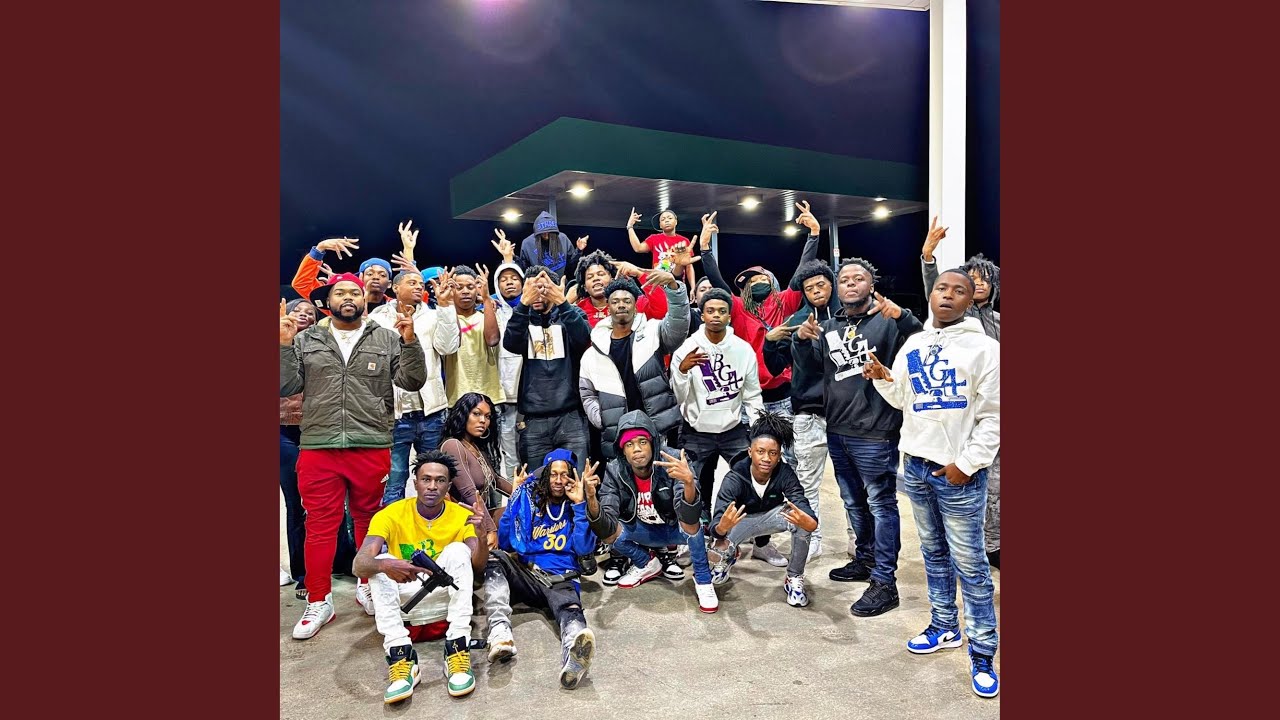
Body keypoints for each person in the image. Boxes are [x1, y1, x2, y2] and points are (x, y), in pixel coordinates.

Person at [864, 268, 1001, 698]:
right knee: (933, 554)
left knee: (971, 564)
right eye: (942, 287)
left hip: (958, 472)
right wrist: (882, 377)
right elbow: (904, 399)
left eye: (959, 291)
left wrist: (968, 463)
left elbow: (995, 417)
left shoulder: (986, 349)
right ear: (932, 294)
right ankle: (944, 626)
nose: (947, 295)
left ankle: (983, 651)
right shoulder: (915, 344)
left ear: (970, 301)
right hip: (917, 467)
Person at [280, 273, 427, 639]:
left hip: (371, 442)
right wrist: (282, 345)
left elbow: (412, 382)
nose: (348, 297)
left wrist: (410, 342)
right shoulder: (307, 340)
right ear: (327, 302)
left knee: (368, 519)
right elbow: (285, 385)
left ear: (364, 299)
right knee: (320, 525)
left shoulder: (387, 337)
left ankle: (367, 585)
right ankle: (319, 600)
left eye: (354, 292)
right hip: (319, 444)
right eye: (339, 292)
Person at [792, 257, 923, 618]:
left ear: (871, 285)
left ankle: (885, 582)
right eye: (845, 279)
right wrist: (801, 342)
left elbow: (922, 341)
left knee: (881, 505)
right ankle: (865, 560)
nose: (850, 283)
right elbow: (814, 370)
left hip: (877, 431)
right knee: (853, 503)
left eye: (858, 278)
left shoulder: (888, 320)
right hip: (838, 429)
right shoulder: (829, 326)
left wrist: (903, 317)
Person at [352, 451, 489, 702]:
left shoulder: (462, 515)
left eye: (440, 480)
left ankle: (457, 648)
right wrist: (386, 565)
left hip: (447, 603)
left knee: (458, 550)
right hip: (405, 606)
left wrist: (481, 536)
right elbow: (359, 565)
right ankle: (401, 657)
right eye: (426, 479)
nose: (432, 486)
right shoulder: (390, 514)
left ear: (449, 486)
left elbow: (477, 567)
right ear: (415, 483)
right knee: (379, 563)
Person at [921, 217, 1002, 569]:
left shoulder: (999, 322)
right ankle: (962, 549)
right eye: (973, 278)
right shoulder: (953, 319)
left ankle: (992, 544)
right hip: (958, 413)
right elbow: (933, 286)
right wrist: (928, 257)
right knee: (960, 484)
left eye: (985, 278)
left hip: (992, 412)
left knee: (996, 484)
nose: (979, 282)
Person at [481, 449, 599, 689]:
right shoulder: (530, 502)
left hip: (561, 579)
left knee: (571, 612)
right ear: (545, 475)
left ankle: (574, 656)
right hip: (528, 575)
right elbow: (506, 543)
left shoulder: (576, 505)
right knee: (495, 558)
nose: (558, 480)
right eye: (553, 474)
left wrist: (580, 505)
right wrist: (513, 499)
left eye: (564, 475)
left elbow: (584, 548)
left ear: (571, 477)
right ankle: (500, 631)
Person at [583, 411, 719, 612]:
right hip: (643, 531)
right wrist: (591, 498)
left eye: (642, 442)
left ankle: (703, 579)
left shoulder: (673, 459)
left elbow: (689, 514)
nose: (637, 449)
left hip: (675, 529)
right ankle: (646, 562)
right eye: (629, 444)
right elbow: (606, 525)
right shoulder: (614, 470)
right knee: (609, 530)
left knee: (692, 522)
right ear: (622, 450)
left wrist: (689, 483)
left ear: (653, 443)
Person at [280, 299, 358, 598]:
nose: (304, 315)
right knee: (297, 503)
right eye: (297, 311)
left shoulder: (322, 345)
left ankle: (342, 560)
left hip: (321, 428)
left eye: (310, 313)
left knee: (334, 499)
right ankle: (303, 573)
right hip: (284, 431)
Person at [762, 258, 836, 561]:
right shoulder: (796, 320)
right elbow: (775, 365)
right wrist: (769, 342)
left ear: (831, 284)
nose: (816, 291)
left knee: (854, 486)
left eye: (821, 284)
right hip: (808, 415)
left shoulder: (849, 318)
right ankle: (811, 538)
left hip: (848, 415)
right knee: (806, 485)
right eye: (809, 287)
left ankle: (858, 543)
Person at [368, 268, 461, 506]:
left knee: (432, 476)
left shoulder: (433, 315)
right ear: (395, 287)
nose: (419, 286)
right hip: (394, 413)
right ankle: (393, 528)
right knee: (394, 477)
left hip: (431, 411)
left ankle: (430, 523)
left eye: (421, 283)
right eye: (412, 282)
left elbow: (449, 347)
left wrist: (446, 306)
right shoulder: (377, 318)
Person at [705, 412, 817, 607]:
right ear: (750, 452)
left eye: (773, 453)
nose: (766, 458)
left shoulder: (785, 473)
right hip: (741, 521)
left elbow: (800, 501)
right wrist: (722, 528)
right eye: (761, 451)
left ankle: (794, 577)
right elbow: (717, 521)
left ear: (779, 456)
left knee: (801, 520)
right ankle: (728, 557)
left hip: (772, 517)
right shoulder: (735, 477)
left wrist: (810, 522)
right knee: (716, 553)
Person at [578, 272, 688, 458]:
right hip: (617, 433)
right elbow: (587, 394)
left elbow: (679, 327)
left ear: (635, 306)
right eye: (615, 301)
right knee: (620, 476)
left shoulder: (653, 332)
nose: (621, 305)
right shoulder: (592, 353)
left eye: (627, 301)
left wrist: (673, 287)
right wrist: (603, 419)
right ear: (608, 307)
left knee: (663, 474)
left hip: (658, 429)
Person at [669, 288, 764, 496]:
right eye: (710, 311)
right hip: (696, 431)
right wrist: (682, 371)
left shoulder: (743, 349)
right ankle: (699, 517)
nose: (716, 316)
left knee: (748, 481)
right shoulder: (686, 349)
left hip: (732, 428)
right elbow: (678, 398)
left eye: (722, 311)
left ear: (729, 317)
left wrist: (759, 430)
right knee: (692, 487)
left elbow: (752, 395)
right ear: (702, 315)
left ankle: (742, 515)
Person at [501, 266, 592, 470]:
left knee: (577, 480)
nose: (537, 294)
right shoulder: (522, 317)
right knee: (535, 482)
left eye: (543, 288)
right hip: (534, 418)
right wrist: (523, 305)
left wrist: (562, 302)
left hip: (570, 415)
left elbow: (584, 339)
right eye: (531, 288)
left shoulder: (571, 313)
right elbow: (510, 344)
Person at [439, 392, 511, 548]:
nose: (483, 421)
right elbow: (469, 492)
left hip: (477, 517)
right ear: (463, 415)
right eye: (476, 414)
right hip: (462, 522)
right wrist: (490, 529)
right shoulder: (453, 445)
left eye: (487, 416)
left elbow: (496, 481)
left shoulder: (476, 446)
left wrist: (528, 494)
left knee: (523, 511)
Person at [487, 233, 526, 479]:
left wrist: (508, 258)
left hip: (527, 394)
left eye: (514, 279)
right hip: (500, 394)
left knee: (527, 452)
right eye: (503, 280)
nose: (509, 283)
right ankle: (511, 496)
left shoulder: (532, 309)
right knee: (505, 454)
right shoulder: (490, 310)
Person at [442, 264, 506, 407]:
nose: (465, 291)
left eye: (470, 287)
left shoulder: (487, 316)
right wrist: (449, 300)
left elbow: (492, 340)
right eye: (459, 287)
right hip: (456, 398)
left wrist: (486, 297)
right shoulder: (444, 319)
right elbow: (453, 340)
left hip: (489, 396)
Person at [571, 249, 665, 327]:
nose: (596, 278)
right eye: (590, 277)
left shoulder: (632, 302)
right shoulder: (578, 311)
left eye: (601, 274)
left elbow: (662, 310)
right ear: (585, 287)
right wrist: (567, 301)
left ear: (612, 279)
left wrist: (639, 273)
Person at [625, 207, 696, 288]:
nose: (667, 220)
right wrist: (630, 226)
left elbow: (689, 266)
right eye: (663, 219)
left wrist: (693, 287)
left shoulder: (684, 241)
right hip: (658, 284)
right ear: (660, 225)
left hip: (677, 285)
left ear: (676, 222)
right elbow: (638, 248)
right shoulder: (654, 238)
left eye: (670, 218)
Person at [516, 212, 586, 279]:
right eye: (543, 233)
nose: (546, 236)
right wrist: (514, 258)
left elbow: (572, 265)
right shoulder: (527, 244)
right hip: (538, 284)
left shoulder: (563, 239)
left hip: (561, 283)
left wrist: (579, 250)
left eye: (549, 233)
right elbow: (524, 269)